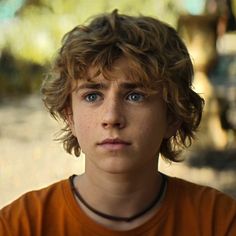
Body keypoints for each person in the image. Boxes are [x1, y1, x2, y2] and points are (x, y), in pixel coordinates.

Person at [0, 9, 235, 236]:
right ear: (69, 115)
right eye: (92, 96)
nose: (111, 117)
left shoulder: (219, 221)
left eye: (135, 96)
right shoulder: (19, 226)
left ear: (172, 115)